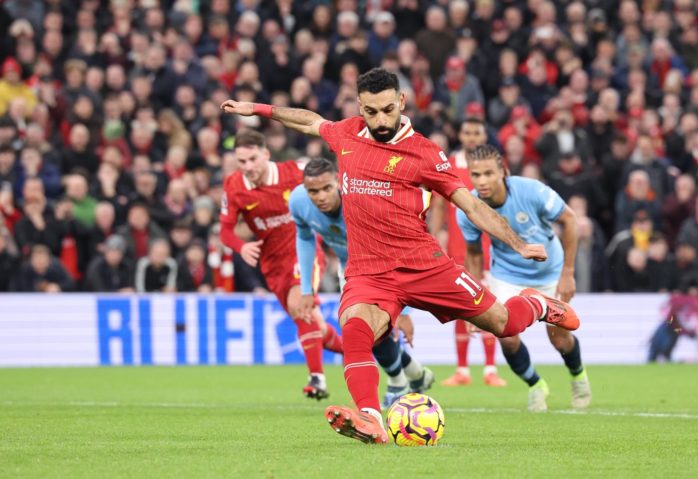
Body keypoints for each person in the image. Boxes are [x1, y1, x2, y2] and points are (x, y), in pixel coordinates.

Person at [221, 68, 579, 445]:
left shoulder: (425, 153)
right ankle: (370, 417)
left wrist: (519, 243)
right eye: (371, 111)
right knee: (356, 330)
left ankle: (537, 305)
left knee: (505, 324)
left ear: (402, 103)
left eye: (387, 110)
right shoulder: (346, 134)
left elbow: (471, 206)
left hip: (425, 265)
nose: (380, 120)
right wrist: (257, 109)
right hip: (369, 273)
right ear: (360, 106)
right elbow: (311, 120)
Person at [289, 157, 434, 408]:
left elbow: (397, 243)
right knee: (366, 331)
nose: (321, 196)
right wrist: (306, 289)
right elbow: (304, 239)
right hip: (351, 269)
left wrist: (404, 309)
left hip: (386, 263)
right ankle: (413, 375)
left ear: (338, 181)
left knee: (375, 329)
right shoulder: (298, 201)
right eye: (313, 191)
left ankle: (399, 383)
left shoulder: (362, 199)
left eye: (326, 188)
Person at [457, 145, 592, 412]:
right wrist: (470, 302)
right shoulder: (467, 208)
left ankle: (578, 376)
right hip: (507, 276)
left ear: (503, 172)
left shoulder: (531, 191)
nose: (482, 181)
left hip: (551, 273)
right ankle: (535, 385)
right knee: (506, 335)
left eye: (488, 174)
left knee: (560, 339)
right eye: (475, 175)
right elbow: (472, 255)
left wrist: (567, 273)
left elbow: (570, 219)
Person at [218, 128, 343, 400]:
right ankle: (365, 352)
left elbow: (333, 181)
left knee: (301, 305)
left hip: (304, 249)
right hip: (272, 265)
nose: (248, 167)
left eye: (252, 159)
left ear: (266, 154)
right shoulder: (234, 186)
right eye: (241, 162)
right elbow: (225, 232)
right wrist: (242, 246)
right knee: (315, 327)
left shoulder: (294, 171)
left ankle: (317, 378)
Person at [429, 117, 507, 388]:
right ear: (460, 135)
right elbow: (439, 205)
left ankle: (489, 369)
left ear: (484, 135)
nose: (472, 136)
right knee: (462, 306)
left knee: (489, 304)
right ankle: (462, 369)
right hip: (457, 247)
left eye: (477, 132)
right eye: (467, 131)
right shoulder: (447, 165)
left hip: (488, 247)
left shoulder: (493, 167)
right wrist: (435, 234)